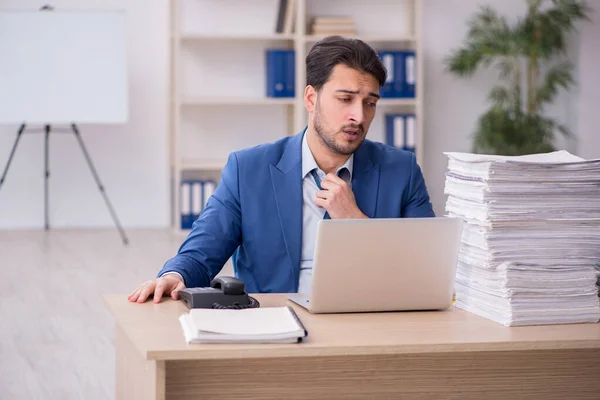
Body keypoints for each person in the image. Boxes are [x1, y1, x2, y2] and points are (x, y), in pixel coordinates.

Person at [129, 35, 435, 304]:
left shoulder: (401, 170)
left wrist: (356, 222)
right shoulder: (248, 169)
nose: (359, 115)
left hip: (370, 327)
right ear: (311, 98)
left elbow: (426, 269)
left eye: (370, 103)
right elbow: (201, 252)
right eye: (345, 99)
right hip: (278, 328)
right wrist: (175, 274)